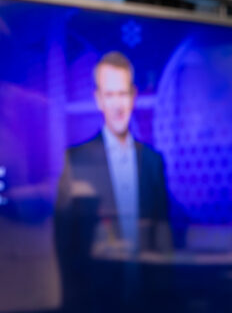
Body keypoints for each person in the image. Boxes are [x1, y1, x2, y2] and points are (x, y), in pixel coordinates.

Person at [56, 51, 173, 263]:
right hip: (95, 291)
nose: (117, 105)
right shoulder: (75, 160)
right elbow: (65, 244)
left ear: (133, 96)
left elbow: (163, 239)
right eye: (110, 96)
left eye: (123, 94)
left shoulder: (152, 162)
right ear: (98, 100)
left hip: (147, 289)